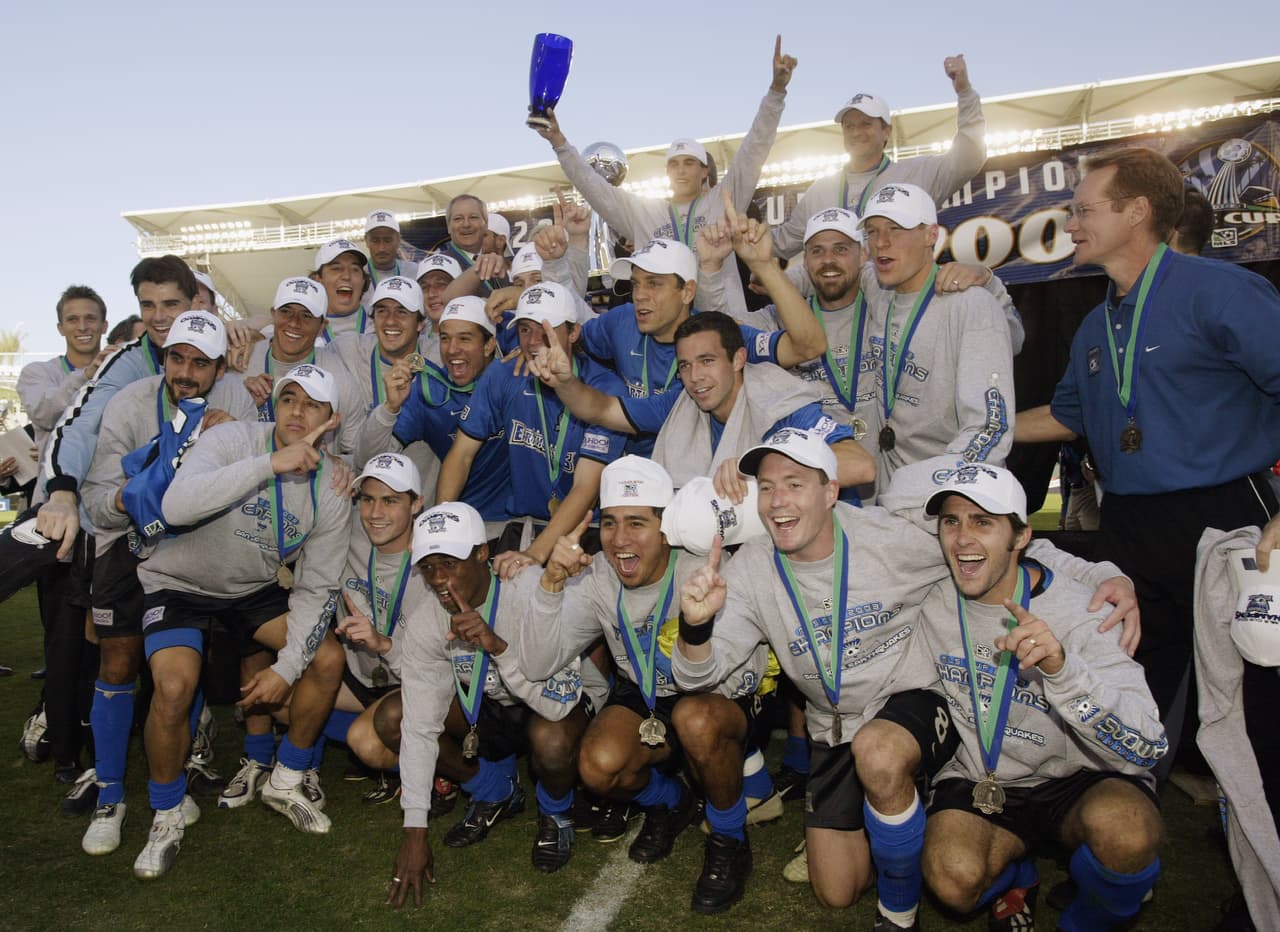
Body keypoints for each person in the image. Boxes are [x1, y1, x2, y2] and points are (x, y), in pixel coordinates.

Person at [672, 431, 1136, 922]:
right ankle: (925, 833)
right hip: (833, 725)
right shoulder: (750, 571)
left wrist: (1106, 574)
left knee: (881, 753)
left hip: (910, 701)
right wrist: (696, 627)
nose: (778, 502)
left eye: (794, 484)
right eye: (766, 488)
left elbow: (1003, 547)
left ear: (830, 492)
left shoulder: (890, 539)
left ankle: (898, 911)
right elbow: (696, 677)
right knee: (836, 891)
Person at [1014, 146, 1280, 763]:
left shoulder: (1222, 291)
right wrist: (980, 432)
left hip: (1226, 515)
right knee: (1135, 670)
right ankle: (1139, 798)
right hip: (1131, 523)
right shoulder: (1094, 324)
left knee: (1258, 682)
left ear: (1137, 211)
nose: (1071, 224)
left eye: (1084, 209)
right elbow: (1064, 416)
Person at [918, 464, 1164, 931]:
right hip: (983, 775)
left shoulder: (1085, 611)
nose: (963, 538)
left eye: (983, 522)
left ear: (1020, 536)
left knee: (1129, 832)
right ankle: (1017, 872)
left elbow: (1149, 743)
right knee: (952, 880)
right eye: (952, 521)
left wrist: (1062, 671)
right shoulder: (930, 595)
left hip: (1079, 776)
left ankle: (1086, 921)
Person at [522, 457, 773, 913]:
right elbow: (538, 662)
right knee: (598, 766)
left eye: (637, 523)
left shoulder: (703, 568)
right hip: (648, 690)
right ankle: (671, 802)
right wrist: (551, 583)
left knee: (695, 718)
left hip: (717, 692)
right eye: (610, 523)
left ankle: (729, 840)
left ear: (665, 528)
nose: (619, 540)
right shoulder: (600, 574)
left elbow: (738, 673)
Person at [131, 365, 350, 878]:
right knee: (173, 688)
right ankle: (165, 812)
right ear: (275, 404)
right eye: (289, 398)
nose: (298, 411)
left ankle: (286, 776)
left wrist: (287, 668)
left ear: (331, 418)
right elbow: (177, 505)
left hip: (249, 590)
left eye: (313, 404)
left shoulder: (333, 485)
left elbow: (318, 588)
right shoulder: (233, 437)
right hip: (179, 584)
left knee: (326, 657)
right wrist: (269, 464)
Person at [78, 310, 256, 855]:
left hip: (189, 554)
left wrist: (229, 449)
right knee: (116, 664)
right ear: (163, 358)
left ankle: (175, 782)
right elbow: (94, 503)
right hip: (128, 546)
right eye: (177, 358)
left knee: (179, 675)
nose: (186, 372)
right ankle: (110, 794)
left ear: (219, 367)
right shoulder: (130, 404)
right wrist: (135, 494)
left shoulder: (239, 403)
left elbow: (249, 488)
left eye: (200, 363)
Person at [534, 36, 797, 319]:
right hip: (664, 328)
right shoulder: (644, 212)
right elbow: (595, 186)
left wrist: (776, 91)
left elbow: (754, 149)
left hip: (722, 322)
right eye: (674, 164)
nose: (681, 170)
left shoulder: (726, 199)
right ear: (667, 172)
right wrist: (559, 142)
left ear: (704, 170)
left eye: (689, 163)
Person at [528, 309, 873, 497]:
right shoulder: (683, 402)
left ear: (738, 359)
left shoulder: (776, 399)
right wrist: (566, 383)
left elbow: (861, 467)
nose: (695, 377)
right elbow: (601, 409)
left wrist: (759, 468)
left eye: (707, 361)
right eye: (686, 365)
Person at [436, 282, 627, 578]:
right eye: (525, 329)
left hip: (585, 528)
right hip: (524, 524)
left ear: (574, 333)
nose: (534, 341)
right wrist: (442, 526)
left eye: (546, 330)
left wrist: (536, 553)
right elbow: (461, 455)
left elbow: (586, 488)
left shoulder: (605, 388)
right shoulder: (505, 374)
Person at [856, 183, 1015, 492]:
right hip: (888, 497)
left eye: (896, 229)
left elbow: (989, 427)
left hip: (944, 498)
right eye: (872, 231)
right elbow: (826, 269)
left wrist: (945, 494)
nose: (881, 243)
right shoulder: (877, 288)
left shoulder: (970, 303)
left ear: (931, 235)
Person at [13, 285, 109, 785]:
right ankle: (64, 745)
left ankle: (91, 739)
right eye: (74, 319)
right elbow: (46, 414)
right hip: (53, 522)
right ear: (60, 327)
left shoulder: (115, 370)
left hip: (102, 522)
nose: (83, 326)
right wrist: (87, 375)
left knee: (101, 640)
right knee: (62, 639)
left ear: (104, 322)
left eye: (91, 317)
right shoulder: (41, 373)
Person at [771, 55, 987, 259]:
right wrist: (743, 232)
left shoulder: (915, 174)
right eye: (849, 126)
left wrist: (965, 92)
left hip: (896, 296)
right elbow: (784, 241)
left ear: (886, 132)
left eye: (866, 124)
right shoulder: (821, 190)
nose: (856, 132)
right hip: (841, 296)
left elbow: (968, 158)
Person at [356, 296, 509, 526]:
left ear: (488, 345)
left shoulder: (513, 381)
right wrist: (390, 408)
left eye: (465, 339)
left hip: (515, 520)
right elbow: (368, 461)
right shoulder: (428, 390)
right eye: (445, 339)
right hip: (458, 520)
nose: (452, 349)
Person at [313, 238, 372, 338]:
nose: (346, 276)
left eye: (354, 269)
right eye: (336, 269)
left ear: (363, 281)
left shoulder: (380, 331)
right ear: (318, 281)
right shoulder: (303, 333)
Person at [415, 252, 464, 365]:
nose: (432, 294)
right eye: (425, 287)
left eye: (441, 284)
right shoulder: (413, 335)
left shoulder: (479, 331)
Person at [365, 210, 415, 286]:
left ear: (398, 240)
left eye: (387, 240)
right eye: (375, 241)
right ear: (366, 241)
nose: (381, 248)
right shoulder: (357, 275)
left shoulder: (415, 272)